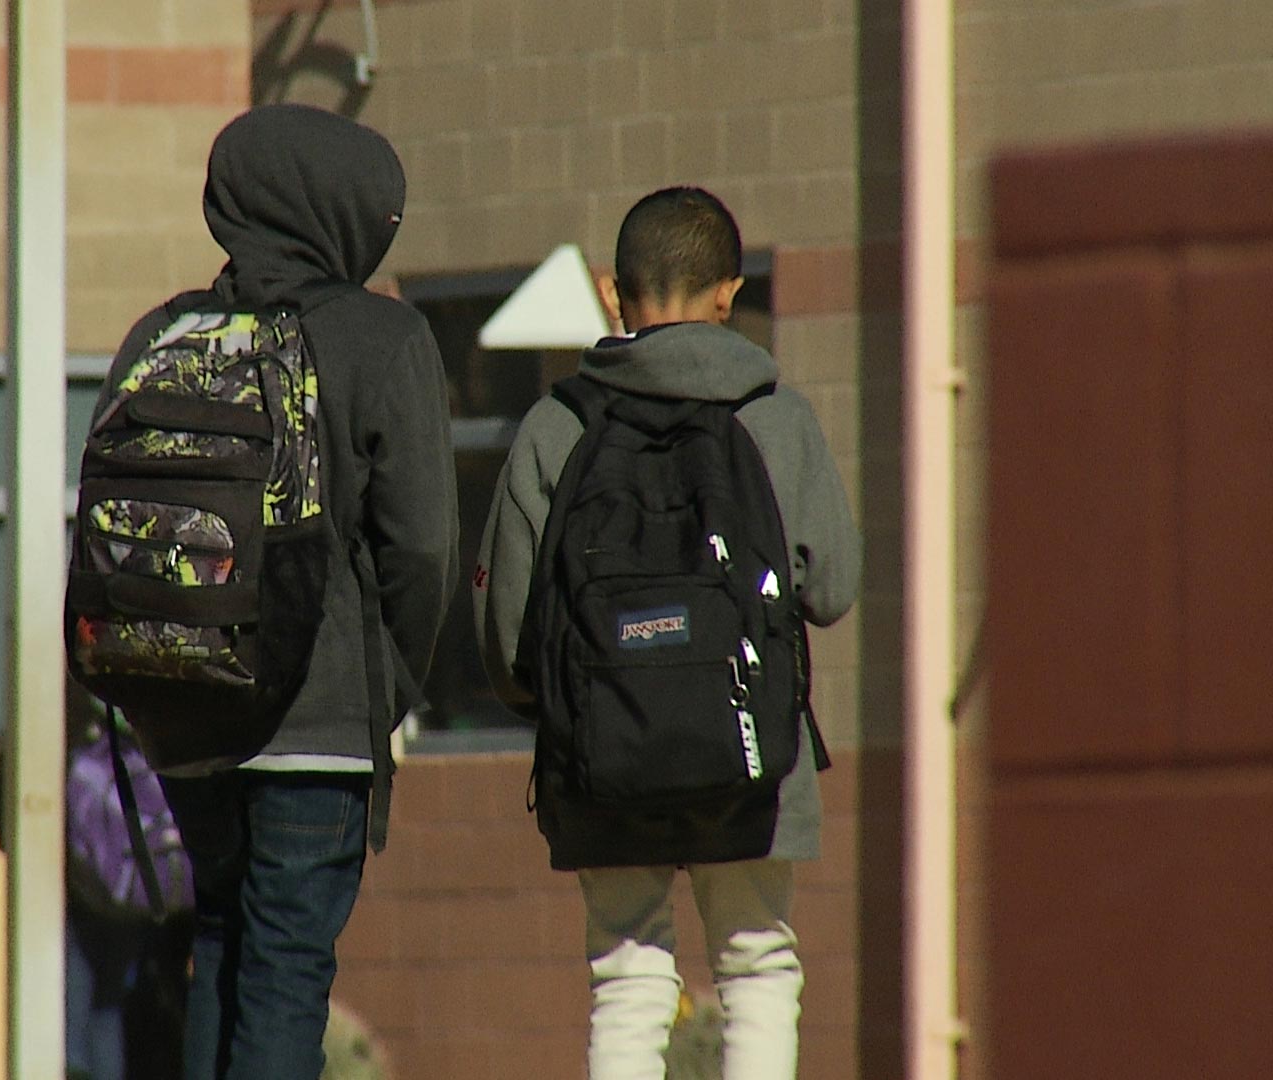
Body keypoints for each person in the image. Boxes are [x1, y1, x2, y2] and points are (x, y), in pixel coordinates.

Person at [100, 103, 458, 1079]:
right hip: (319, 707)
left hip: (183, 699)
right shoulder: (382, 340)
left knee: (219, 937)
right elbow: (424, 549)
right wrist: (390, 680)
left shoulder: (162, 332)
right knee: (288, 964)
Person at [472, 186, 862, 1080]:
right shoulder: (775, 415)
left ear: (616, 293)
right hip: (750, 752)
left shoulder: (556, 425)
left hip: (602, 758)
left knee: (628, 980)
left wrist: (567, 708)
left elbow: (507, 628)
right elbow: (833, 587)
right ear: (728, 295)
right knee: (758, 967)